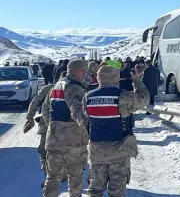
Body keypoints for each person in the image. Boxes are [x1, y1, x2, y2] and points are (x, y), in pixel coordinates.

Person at [83, 64, 150, 197]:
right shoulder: (124, 97)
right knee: (117, 192)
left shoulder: (88, 97)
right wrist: (136, 80)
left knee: (95, 190)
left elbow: (86, 116)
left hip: (97, 152)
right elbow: (144, 98)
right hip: (119, 151)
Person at [41, 59, 90, 197]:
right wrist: (89, 128)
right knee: (75, 177)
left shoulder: (56, 86)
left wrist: (55, 126)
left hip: (54, 140)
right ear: (73, 70)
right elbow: (77, 112)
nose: (85, 74)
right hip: (73, 142)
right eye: (83, 70)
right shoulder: (75, 87)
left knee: (52, 178)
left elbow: (45, 110)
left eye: (86, 70)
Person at [23, 82, 55, 187]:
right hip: (70, 127)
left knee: (44, 150)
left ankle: (48, 177)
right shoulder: (77, 87)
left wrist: (30, 117)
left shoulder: (48, 88)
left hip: (47, 124)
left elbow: (35, 101)